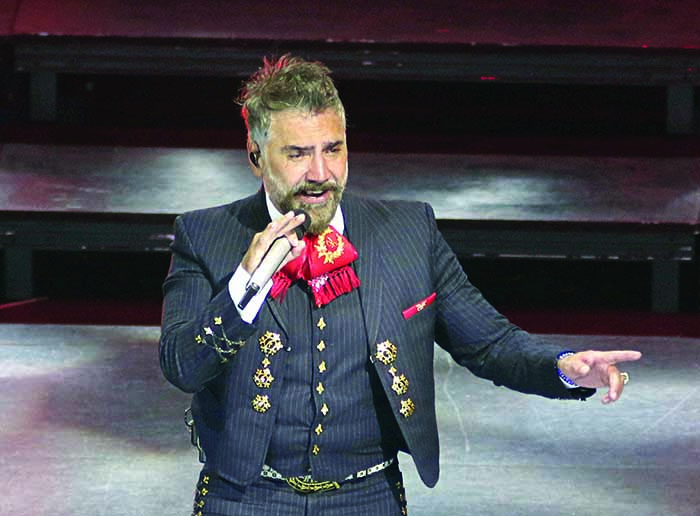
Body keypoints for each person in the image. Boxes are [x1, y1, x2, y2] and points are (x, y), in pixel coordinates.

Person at [159, 54, 642, 516]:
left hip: (368, 495)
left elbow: (489, 343)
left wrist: (564, 367)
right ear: (255, 154)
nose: (320, 174)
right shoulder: (206, 236)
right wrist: (244, 285)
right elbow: (182, 366)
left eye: (333, 149)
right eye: (297, 154)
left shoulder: (408, 232)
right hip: (245, 495)